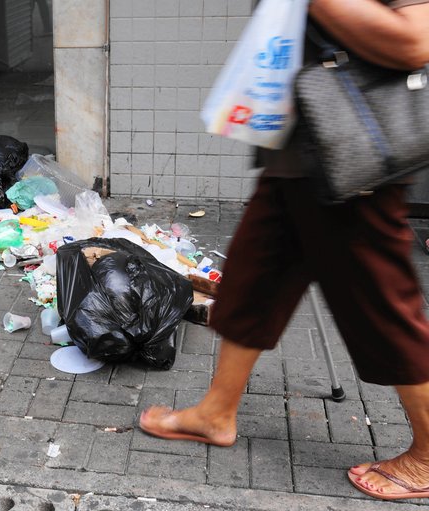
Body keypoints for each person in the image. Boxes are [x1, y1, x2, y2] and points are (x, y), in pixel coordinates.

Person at [139, 0, 429, 501]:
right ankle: (215, 414)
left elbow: (414, 40)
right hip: (297, 153)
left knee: (384, 311)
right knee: (254, 285)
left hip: (355, 165)